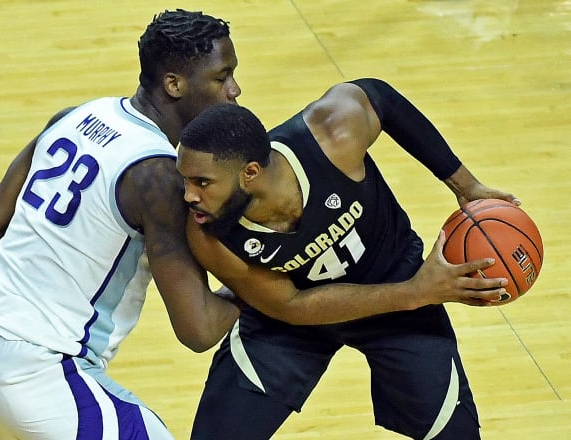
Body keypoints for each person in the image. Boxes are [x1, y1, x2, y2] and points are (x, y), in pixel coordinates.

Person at [0, 9, 242, 440]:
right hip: (35, 371)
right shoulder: (157, 176)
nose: (235, 90)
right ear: (174, 84)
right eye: (221, 77)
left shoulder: (76, 115)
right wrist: (263, 287)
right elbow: (199, 329)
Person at [176, 80, 519, 439]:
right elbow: (291, 305)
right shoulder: (208, 235)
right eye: (185, 180)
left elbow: (381, 97)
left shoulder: (331, 137)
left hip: (392, 281)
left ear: (250, 173)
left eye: (202, 182)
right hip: (297, 318)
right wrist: (415, 292)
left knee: (457, 435)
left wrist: (466, 186)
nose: (188, 196)